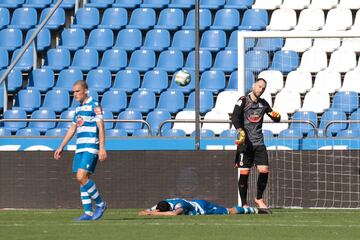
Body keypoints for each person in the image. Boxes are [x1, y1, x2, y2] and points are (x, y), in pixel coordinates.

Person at [54, 80, 108, 221]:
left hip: (91, 146)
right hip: (80, 147)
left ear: (85, 90)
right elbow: (72, 128)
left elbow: (101, 127)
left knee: (81, 176)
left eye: (78, 91)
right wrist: (61, 146)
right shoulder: (78, 109)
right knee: (82, 180)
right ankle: (88, 213)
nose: (75, 94)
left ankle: (101, 204)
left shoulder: (94, 105)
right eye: (74, 92)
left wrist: (102, 148)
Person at [231, 78, 281, 209]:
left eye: (263, 88)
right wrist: (241, 130)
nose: (261, 90)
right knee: (244, 174)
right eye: (259, 86)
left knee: (264, 170)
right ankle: (244, 203)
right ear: (254, 86)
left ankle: (259, 198)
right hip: (245, 143)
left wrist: (276, 116)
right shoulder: (243, 101)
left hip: (259, 142)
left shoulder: (263, 104)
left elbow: (274, 116)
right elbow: (235, 117)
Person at [138, 198, 269, 216]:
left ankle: (255, 210)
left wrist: (154, 214)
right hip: (196, 203)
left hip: (203, 207)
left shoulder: (179, 205)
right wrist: (149, 211)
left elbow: (174, 214)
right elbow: (141, 213)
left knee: (230, 211)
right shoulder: (162, 203)